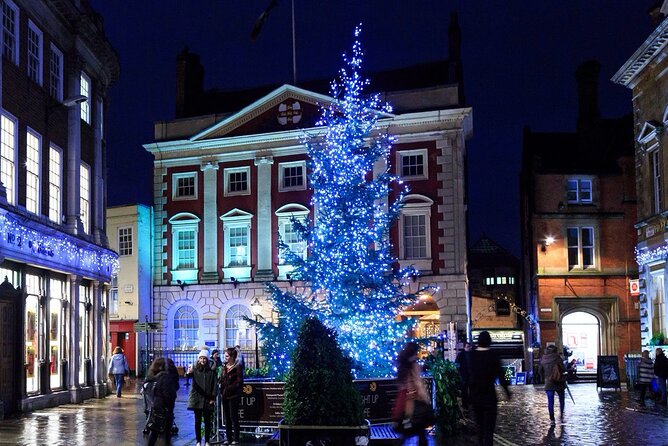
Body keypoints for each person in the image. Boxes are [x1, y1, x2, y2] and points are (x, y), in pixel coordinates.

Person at [463, 331, 510, 446]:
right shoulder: (493, 355)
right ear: (489, 341)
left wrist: (465, 397)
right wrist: (507, 391)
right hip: (489, 396)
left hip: (475, 396)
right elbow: (501, 374)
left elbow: (466, 377)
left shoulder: (471, 355)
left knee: (480, 427)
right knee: (489, 430)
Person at [392, 342, 432, 446]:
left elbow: (401, 385)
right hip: (413, 402)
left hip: (403, 401)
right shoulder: (414, 366)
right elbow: (418, 385)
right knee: (420, 431)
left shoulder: (402, 365)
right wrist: (426, 399)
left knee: (407, 431)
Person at [145, 357, 179, 446]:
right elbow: (169, 393)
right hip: (165, 407)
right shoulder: (167, 377)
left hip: (156, 405)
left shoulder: (154, 376)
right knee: (166, 433)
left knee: (154, 431)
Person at [186, 349, 218, 446]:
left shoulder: (211, 370)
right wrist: (188, 372)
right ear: (198, 359)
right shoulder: (195, 368)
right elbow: (188, 376)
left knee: (208, 421)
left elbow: (214, 385)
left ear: (207, 359)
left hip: (208, 399)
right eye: (201, 358)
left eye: (204, 358)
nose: (202, 360)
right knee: (197, 421)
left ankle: (207, 441)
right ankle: (198, 441)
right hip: (197, 398)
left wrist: (212, 398)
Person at [219, 347, 244, 445]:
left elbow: (239, 381)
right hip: (225, 395)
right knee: (227, 418)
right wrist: (220, 382)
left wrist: (230, 387)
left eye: (227, 356)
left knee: (234, 417)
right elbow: (222, 378)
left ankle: (236, 438)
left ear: (232, 356)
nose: (225, 357)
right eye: (224, 356)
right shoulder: (224, 367)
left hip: (233, 396)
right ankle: (228, 438)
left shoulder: (237, 367)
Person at [540, 344, 566, 425]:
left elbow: (540, 371)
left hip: (548, 383)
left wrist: (544, 377)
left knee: (550, 402)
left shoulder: (543, 359)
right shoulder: (558, 358)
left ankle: (552, 419)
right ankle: (561, 415)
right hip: (559, 381)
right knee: (561, 399)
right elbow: (563, 369)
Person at [455, 341, 472, 413]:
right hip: (464, 375)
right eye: (468, 347)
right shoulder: (461, 355)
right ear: (464, 347)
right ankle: (465, 405)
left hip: (469, 376)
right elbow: (457, 364)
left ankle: (468, 404)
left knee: (469, 391)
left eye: (469, 347)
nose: (469, 348)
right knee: (464, 391)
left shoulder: (471, 354)